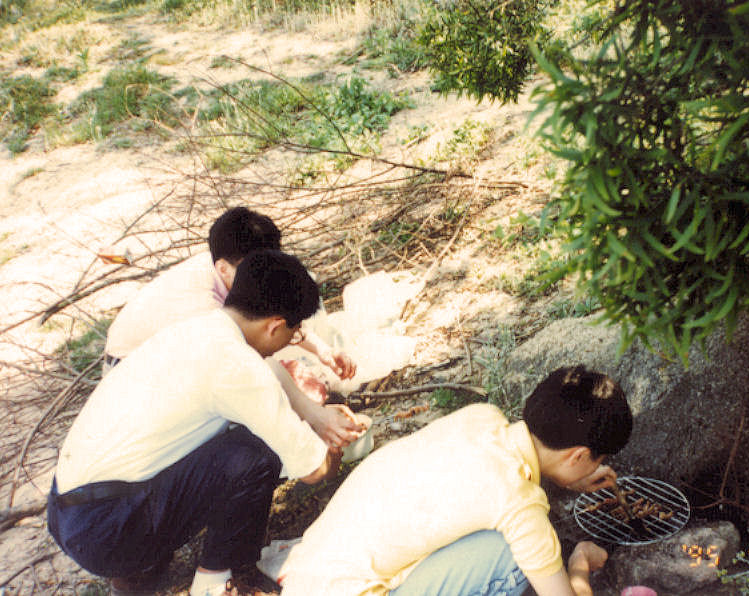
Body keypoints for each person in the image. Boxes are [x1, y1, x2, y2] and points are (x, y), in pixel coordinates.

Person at [48, 250, 342, 596]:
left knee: (231, 435)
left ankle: (137, 569)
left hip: (67, 515)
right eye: (292, 333)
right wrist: (335, 441)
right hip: (108, 530)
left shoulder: (195, 327)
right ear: (275, 325)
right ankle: (215, 581)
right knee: (259, 450)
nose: (288, 343)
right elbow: (313, 470)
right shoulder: (238, 365)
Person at [279, 365, 634, 596]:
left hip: (308, 573)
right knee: (511, 556)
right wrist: (580, 563)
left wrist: (568, 480)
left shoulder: (482, 417)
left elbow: (480, 486)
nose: (595, 469)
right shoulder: (518, 504)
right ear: (578, 455)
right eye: (596, 461)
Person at [103, 206, 361, 449]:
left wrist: (322, 350)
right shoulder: (201, 304)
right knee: (252, 410)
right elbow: (247, 359)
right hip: (134, 380)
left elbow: (272, 316)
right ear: (223, 268)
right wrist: (315, 415)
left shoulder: (230, 266)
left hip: (173, 360)